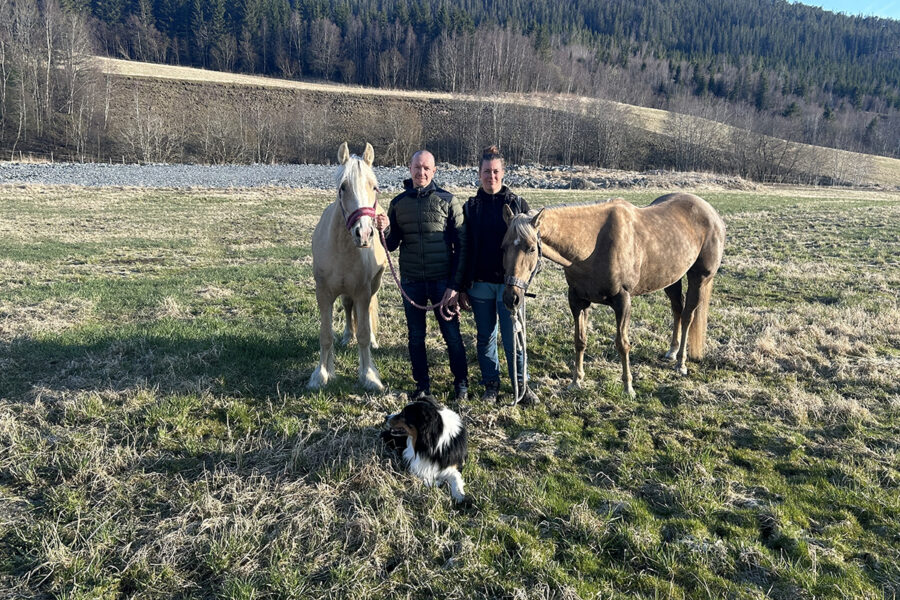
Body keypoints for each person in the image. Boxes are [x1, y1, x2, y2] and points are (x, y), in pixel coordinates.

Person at [374, 150, 469, 402]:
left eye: (426, 168)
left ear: (434, 171)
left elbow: (462, 247)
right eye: (417, 167)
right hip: (412, 282)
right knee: (416, 337)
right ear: (409, 168)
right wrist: (385, 229)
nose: (421, 172)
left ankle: (461, 384)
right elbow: (392, 244)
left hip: (442, 283)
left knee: (452, 335)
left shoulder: (448, 201)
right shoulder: (398, 203)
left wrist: (454, 285)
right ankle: (422, 385)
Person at [459, 146, 539, 405]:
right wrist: (461, 285)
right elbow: (464, 247)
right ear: (479, 174)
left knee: (513, 337)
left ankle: (521, 385)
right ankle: (491, 384)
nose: (490, 176)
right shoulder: (470, 207)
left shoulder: (518, 204)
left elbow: (531, 249)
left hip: (510, 287)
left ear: (503, 173)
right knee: (485, 338)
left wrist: (524, 282)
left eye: (495, 171)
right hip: (480, 285)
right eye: (485, 171)